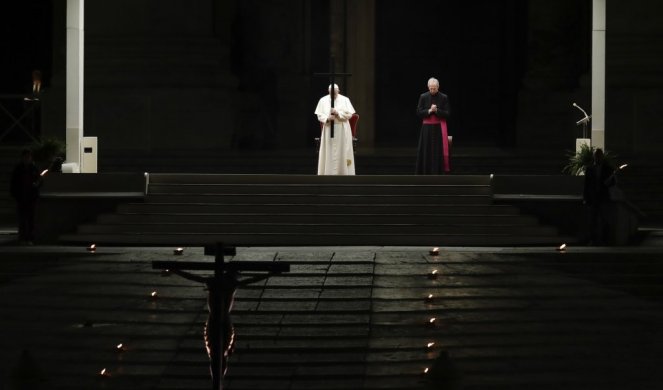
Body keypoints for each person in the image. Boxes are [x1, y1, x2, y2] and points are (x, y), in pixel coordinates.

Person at [315, 84, 356, 175]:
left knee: (343, 151)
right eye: (331, 92)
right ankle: (328, 173)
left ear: (339, 91)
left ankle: (343, 173)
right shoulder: (323, 100)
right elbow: (319, 115)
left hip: (342, 128)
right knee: (328, 150)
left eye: (335, 92)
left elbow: (350, 115)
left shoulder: (345, 100)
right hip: (328, 129)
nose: (333, 94)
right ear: (328, 91)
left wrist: (338, 114)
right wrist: (328, 118)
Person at [416, 77, 451, 174]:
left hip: (439, 128)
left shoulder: (444, 97)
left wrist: (437, 111)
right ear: (428, 87)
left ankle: (439, 172)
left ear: (438, 87)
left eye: (434, 88)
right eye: (430, 88)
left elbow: (447, 113)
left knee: (438, 151)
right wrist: (430, 111)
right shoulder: (423, 96)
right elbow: (419, 112)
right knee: (426, 150)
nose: (432, 90)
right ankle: (424, 171)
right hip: (426, 129)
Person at [583, 148, 615, 245]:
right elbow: (586, 185)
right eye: (596, 156)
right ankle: (593, 240)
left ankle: (605, 240)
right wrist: (586, 198)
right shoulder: (590, 169)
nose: (598, 158)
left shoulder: (608, 169)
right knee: (592, 221)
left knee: (605, 220)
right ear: (594, 157)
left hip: (603, 197)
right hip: (593, 198)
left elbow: (612, 182)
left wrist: (609, 182)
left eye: (599, 156)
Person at [9, 149, 42, 245]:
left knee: (31, 218)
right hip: (21, 196)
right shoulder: (18, 169)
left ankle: (30, 238)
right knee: (22, 218)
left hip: (31, 197)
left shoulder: (34, 168)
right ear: (22, 158)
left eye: (29, 157)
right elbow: (13, 182)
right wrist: (15, 195)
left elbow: (40, 180)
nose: (27, 159)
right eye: (25, 157)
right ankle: (22, 238)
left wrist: (37, 185)